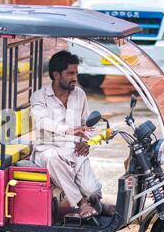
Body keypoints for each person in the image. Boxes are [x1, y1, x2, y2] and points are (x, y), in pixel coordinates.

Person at [30, 50, 115, 220]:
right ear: (56, 74)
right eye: (70, 73)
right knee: (51, 157)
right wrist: (69, 130)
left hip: (74, 151)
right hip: (47, 150)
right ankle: (82, 204)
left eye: (76, 73)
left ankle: (97, 204)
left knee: (92, 190)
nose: (75, 78)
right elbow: (41, 121)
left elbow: (86, 125)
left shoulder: (80, 94)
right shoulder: (39, 97)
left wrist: (86, 142)